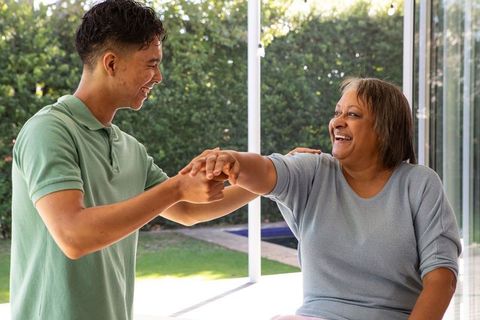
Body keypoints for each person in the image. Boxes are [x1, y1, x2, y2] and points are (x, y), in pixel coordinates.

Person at [10, 1, 257, 319]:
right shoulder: (49, 131)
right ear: (111, 63)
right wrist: (177, 188)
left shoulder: (130, 149)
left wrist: (275, 177)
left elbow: (187, 210)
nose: (159, 76)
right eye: (151, 64)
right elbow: (73, 235)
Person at [181, 77, 462, 320]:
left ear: (384, 127)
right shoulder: (314, 170)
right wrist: (232, 161)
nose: (337, 122)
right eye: (337, 112)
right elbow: (266, 169)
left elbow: (441, 278)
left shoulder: (420, 184)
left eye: (352, 114)